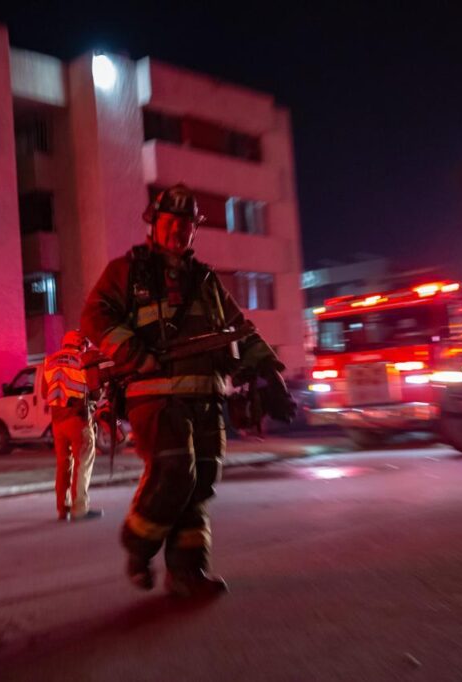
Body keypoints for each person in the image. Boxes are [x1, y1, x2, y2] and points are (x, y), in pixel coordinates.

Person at [80, 183, 297, 598]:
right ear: (154, 224)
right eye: (171, 223)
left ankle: (187, 572)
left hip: (207, 399)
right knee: (176, 474)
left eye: (186, 225)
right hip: (157, 398)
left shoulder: (206, 280)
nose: (179, 231)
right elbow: (94, 315)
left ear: (194, 229)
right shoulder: (128, 271)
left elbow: (240, 330)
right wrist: (134, 352)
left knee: (202, 484)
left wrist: (270, 372)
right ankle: (138, 545)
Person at [42, 330, 103, 522]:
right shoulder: (83, 359)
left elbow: (45, 393)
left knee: (63, 464)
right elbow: (95, 394)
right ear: (81, 344)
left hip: (57, 421)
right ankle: (79, 508)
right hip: (78, 419)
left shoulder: (49, 361)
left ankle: (62, 508)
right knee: (82, 462)